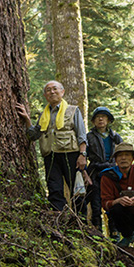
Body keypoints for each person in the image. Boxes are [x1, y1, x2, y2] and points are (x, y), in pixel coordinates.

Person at [16, 81, 88, 212]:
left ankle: (81, 220)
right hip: (51, 156)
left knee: (77, 189)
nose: (52, 92)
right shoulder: (44, 115)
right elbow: (34, 135)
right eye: (48, 90)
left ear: (62, 92)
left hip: (71, 154)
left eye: (55, 89)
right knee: (54, 189)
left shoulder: (73, 110)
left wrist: (82, 155)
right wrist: (27, 119)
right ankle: (58, 216)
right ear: (45, 95)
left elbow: (81, 134)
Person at [76, 106, 122, 234]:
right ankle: (97, 234)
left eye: (103, 117)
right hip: (95, 173)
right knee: (95, 204)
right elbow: (82, 156)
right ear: (93, 121)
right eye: (97, 117)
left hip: (112, 173)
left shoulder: (115, 137)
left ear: (108, 120)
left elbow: (123, 153)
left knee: (113, 203)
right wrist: (85, 173)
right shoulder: (88, 137)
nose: (100, 119)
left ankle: (114, 235)